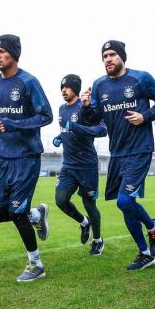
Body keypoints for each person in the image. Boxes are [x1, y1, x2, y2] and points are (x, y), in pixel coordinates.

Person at [80, 40, 155, 271]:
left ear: (122, 57)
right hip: (117, 152)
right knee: (127, 205)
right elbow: (94, 118)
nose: (108, 59)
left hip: (139, 149)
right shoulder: (99, 85)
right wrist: (86, 107)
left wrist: (145, 116)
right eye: (105, 56)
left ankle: (154, 226)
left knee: (124, 201)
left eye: (112, 55)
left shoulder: (140, 78)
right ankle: (145, 254)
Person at [0, 34, 53, 282]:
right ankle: (36, 215)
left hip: (26, 157)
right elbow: (0, 115)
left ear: (14, 54)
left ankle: (36, 264)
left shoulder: (28, 82)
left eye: (2, 51)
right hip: (2, 157)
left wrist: (15, 124)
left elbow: (46, 116)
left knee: (16, 212)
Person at [53, 74, 107, 255]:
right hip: (68, 166)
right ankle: (85, 223)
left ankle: (98, 240)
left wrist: (76, 127)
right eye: (61, 87)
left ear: (75, 89)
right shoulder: (61, 109)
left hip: (87, 165)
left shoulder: (87, 107)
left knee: (89, 204)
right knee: (60, 200)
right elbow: (67, 128)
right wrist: (60, 137)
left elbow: (101, 130)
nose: (63, 90)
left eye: (66, 87)